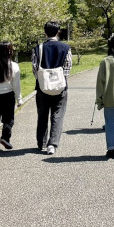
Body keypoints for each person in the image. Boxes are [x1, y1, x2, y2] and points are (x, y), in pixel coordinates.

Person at [32, 21, 72, 155]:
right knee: (58, 115)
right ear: (58, 32)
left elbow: (35, 68)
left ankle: (41, 143)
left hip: (42, 87)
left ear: (45, 32)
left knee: (42, 115)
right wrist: (59, 79)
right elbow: (67, 68)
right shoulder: (65, 48)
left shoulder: (39, 48)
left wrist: (43, 79)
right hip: (60, 87)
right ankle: (52, 144)